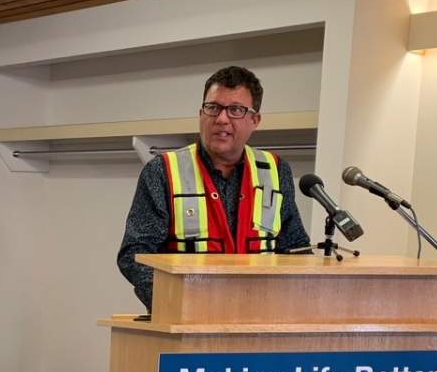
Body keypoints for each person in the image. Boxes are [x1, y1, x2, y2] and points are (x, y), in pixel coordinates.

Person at [117, 65, 310, 310]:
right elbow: (135, 254)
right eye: (213, 108)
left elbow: (296, 250)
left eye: (236, 110)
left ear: (255, 120)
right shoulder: (162, 171)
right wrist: (174, 305)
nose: (221, 119)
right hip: (185, 326)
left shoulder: (276, 171)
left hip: (261, 321)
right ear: (201, 113)